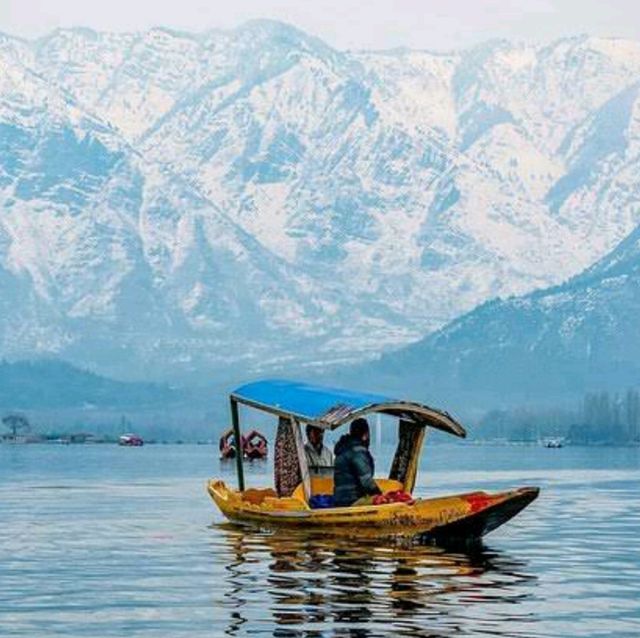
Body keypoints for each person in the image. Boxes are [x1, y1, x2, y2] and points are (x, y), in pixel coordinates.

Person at [333, 418, 382, 507]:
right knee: (384, 501)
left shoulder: (343, 449)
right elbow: (366, 481)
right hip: (352, 500)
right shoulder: (357, 451)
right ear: (365, 434)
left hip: (339, 500)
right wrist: (380, 494)